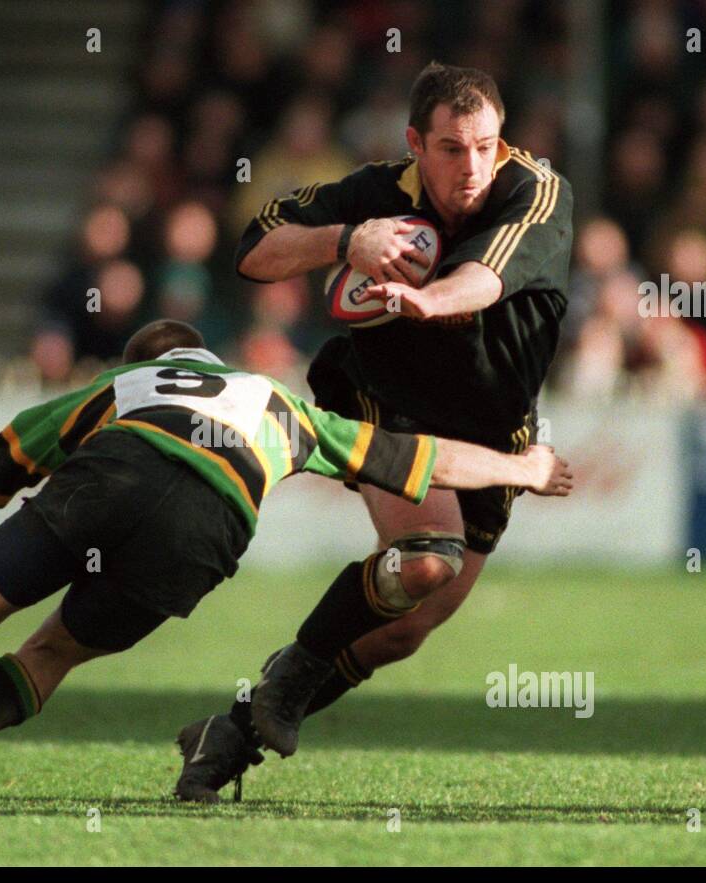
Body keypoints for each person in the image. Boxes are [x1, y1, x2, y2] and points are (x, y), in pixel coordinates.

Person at [0, 320, 573, 803]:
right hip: (211, 519)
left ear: (149, 360)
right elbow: (411, 456)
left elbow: (17, 446)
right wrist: (520, 467)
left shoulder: (123, 387)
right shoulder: (277, 400)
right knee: (49, 655)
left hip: (116, 468)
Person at [174, 61, 575, 801]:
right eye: (453, 148)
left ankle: (228, 733)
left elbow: (485, 279)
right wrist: (347, 241)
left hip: (493, 432)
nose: (473, 166)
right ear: (415, 144)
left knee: (406, 627)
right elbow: (256, 251)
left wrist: (428, 301)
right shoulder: (376, 193)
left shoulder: (536, 191)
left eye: (486, 144)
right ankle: (292, 676)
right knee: (426, 559)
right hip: (380, 397)